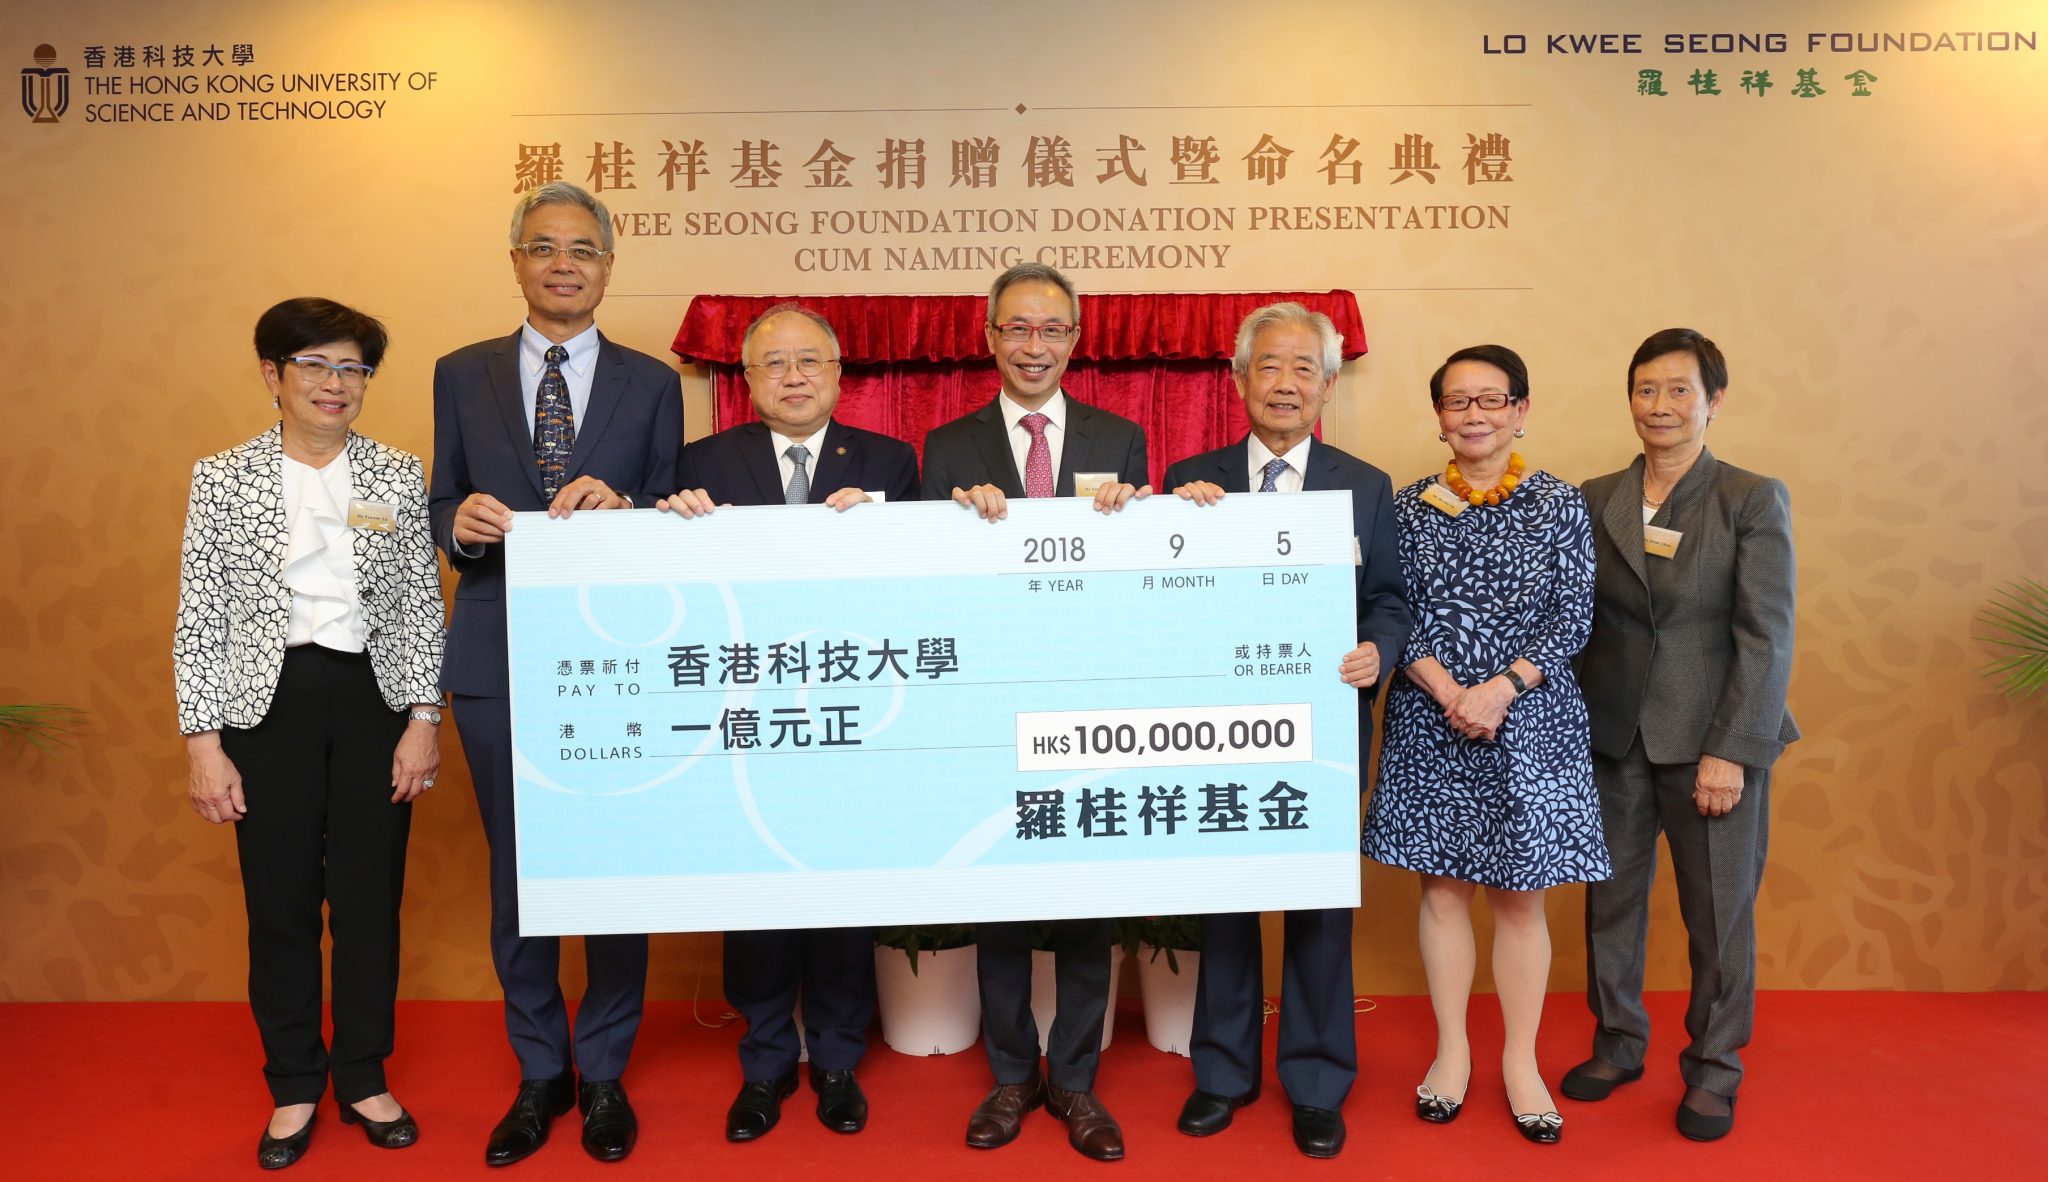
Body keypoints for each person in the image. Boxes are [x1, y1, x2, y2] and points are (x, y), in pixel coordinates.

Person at [429, 181, 684, 1167]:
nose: (564, 263)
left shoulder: (652, 382)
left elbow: (674, 509)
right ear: (517, 261)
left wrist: (626, 507)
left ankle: (607, 1067)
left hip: (615, 659)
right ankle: (541, 1071)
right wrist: (460, 521)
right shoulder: (462, 372)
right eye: (544, 247)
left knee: (613, 865)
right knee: (521, 873)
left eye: (584, 248)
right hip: (495, 650)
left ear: (608, 266)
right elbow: (442, 492)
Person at [175, 297, 444, 1170]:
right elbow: (199, 614)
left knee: (369, 901)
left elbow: (416, 606)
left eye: (353, 370)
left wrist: (422, 721)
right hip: (268, 705)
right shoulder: (222, 477)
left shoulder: (397, 475)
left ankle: (363, 1074)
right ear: (273, 375)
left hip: (375, 700)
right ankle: (294, 1083)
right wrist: (202, 740)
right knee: (281, 903)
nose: (336, 385)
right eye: (317, 367)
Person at [659, 303, 917, 1142]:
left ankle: (838, 1060)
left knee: (842, 893)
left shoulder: (889, 461)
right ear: (747, 380)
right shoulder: (698, 465)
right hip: (746, 716)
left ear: (840, 375)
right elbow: (672, 595)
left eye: (811, 361)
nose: (795, 376)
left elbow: (917, 592)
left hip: (852, 711)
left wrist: (880, 535)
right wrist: (673, 524)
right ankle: (766, 1062)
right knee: (760, 897)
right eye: (775, 364)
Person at [1164, 302, 1411, 1159]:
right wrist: (1178, 527)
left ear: (1329, 384)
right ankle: (1223, 1075)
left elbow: (1388, 598)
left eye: (1304, 368)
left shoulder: (1366, 485)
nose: (1285, 383)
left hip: (1324, 731)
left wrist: (1377, 651)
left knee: (1317, 911)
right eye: (1268, 366)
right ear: (1238, 379)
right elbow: (1161, 598)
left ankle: (1314, 1081)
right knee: (1226, 904)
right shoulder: (1190, 478)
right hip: (1221, 730)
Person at [920, 262, 1149, 1162]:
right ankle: (1013, 1075)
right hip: (989, 697)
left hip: (1089, 699)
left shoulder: (1121, 437)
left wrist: (1134, 513)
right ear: (989, 337)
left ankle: (1078, 1084)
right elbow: (924, 576)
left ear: (1075, 342)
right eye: (1017, 328)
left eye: (1052, 330)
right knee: (1004, 897)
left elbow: (1139, 571)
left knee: (1089, 899)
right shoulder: (946, 446)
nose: (1034, 345)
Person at [1360, 344, 1608, 1145]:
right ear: (1438, 416)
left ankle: (1522, 1061)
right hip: (1433, 719)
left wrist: (1500, 689)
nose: (1474, 414)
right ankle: (1452, 1053)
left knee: (1521, 899)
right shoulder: (1404, 507)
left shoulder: (1559, 504)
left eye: (1491, 400)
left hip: (1530, 719)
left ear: (1520, 410)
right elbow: (1396, 610)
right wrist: (1448, 691)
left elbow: (1573, 616)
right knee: (1440, 894)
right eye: (1457, 402)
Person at [1563, 327, 1797, 1142]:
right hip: (1613, 737)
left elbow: (1766, 635)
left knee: (1718, 916)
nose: (1659, 406)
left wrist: (1732, 750)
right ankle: (1619, 1042)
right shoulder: (1595, 496)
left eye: (1677, 390)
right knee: (1611, 906)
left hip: (1712, 742)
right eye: (1645, 389)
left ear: (1713, 401)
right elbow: (1577, 619)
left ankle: (1715, 1069)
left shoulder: (1750, 497)